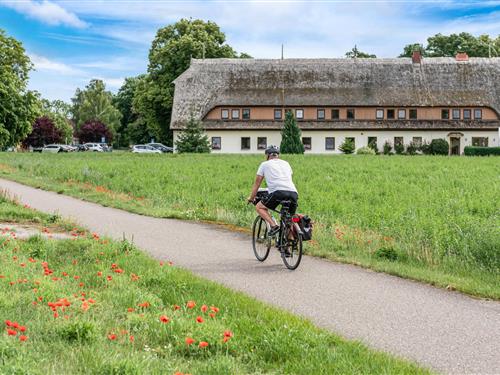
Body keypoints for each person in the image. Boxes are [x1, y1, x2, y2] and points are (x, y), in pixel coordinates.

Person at [247, 145, 298, 236]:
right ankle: (290, 246)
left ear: (267, 156)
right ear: (277, 155)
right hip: (293, 193)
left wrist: (251, 198)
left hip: (278, 193)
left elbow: (257, 184)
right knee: (289, 219)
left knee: (259, 207)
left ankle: (274, 226)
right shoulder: (286, 163)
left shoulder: (264, 164)